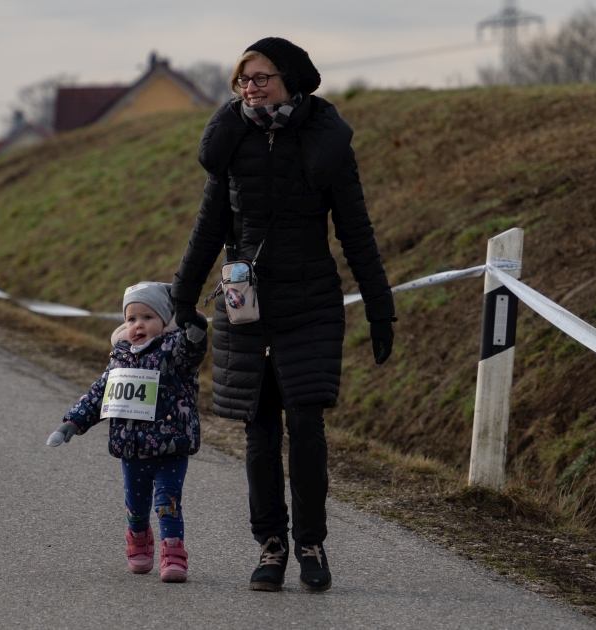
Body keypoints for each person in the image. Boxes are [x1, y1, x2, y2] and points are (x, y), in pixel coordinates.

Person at [171, 37, 396, 593]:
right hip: (244, 305)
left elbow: (356, 231)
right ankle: (270, 547)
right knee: (260, 428)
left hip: (309, 302)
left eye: (262, 77)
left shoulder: (325, 141)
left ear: (290, 79)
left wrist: (379, 308)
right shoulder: (231, 141)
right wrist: (181, 297)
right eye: (243, 79)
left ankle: (312, 545)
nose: (251, 87)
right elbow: (208, 229)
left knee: (306, 425)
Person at [46, 282, 209, 583]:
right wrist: (73, 422)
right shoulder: (119, 356)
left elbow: (191, 350)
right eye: (131, 319)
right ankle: (138, 538)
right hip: (131, 448)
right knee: (136, 505)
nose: (138, 325)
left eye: (147, 317)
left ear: (164, 320)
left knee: (166, 503)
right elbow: (99, 394)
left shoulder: (173, 350)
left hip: (170, 447)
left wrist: (195, 329)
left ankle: (173, 553)